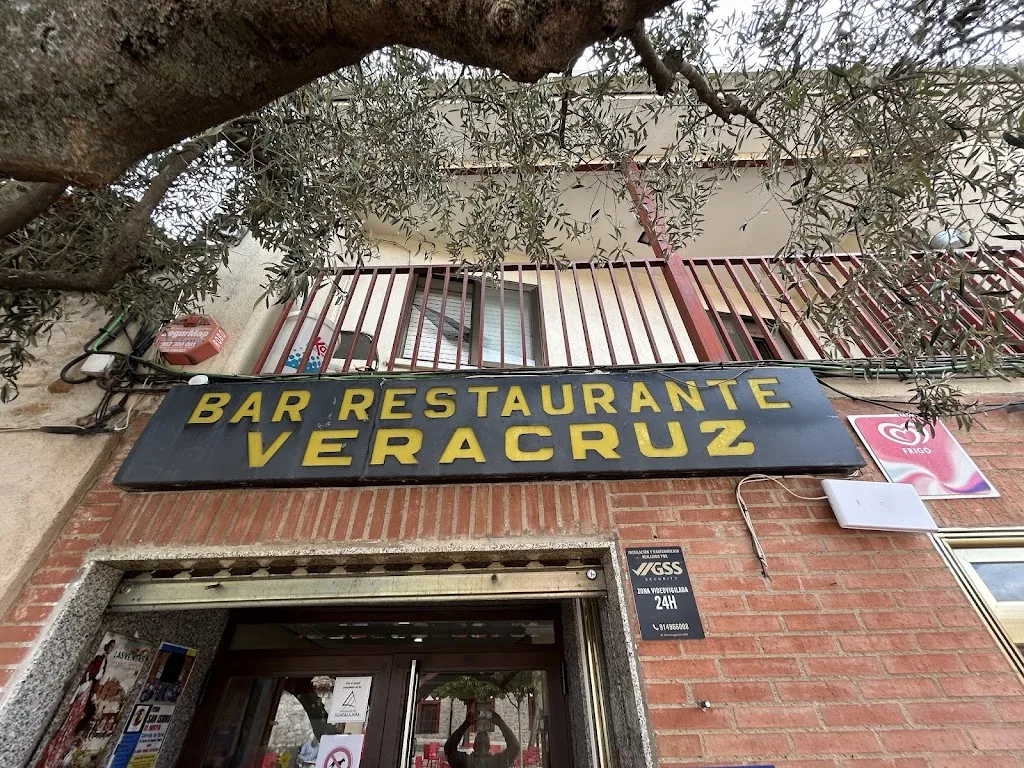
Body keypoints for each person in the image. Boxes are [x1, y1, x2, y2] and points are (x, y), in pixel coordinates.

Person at [444, 709, 520, 768]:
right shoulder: (497, 762)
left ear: (474, 746)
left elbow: (449, 748)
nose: (483, 735)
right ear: (489, 746)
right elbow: (515, 747)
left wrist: (466, 724)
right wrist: (500, 723)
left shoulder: (466, 761)